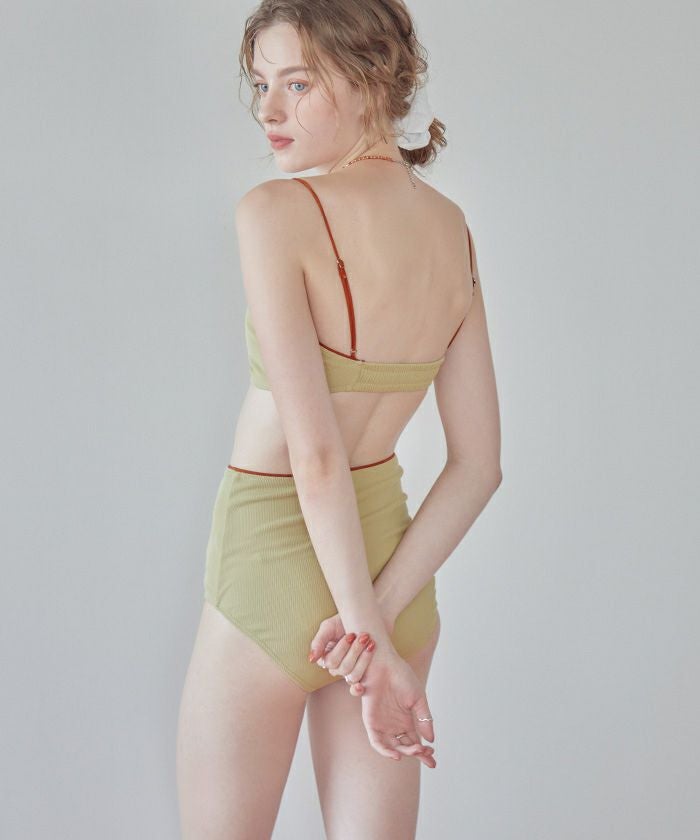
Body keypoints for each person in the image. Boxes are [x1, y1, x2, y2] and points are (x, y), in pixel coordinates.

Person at [176, 1, 502, 837]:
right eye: (261, 84)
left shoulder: (274, 212)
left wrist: (360, 630)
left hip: (272, 559)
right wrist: (377, 624)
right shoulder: (453, 231)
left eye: (298, 83)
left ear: (370, 79)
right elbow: (479, 467)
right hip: (392, 568)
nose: (269, 110)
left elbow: (315, 458)